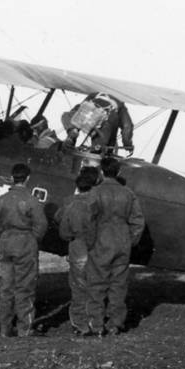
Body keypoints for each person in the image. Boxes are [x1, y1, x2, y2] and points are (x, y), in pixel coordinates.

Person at [85, 158, 144, 336]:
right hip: (122, 242)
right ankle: (115, 324)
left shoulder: (95, 192)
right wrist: (130, 240)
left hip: (101, 242)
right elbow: (138, 221)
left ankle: (96, 324)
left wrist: (90, 242)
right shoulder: (128, 193)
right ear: (118, 172)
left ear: (101, 172)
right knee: (118, 285)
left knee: (97, 284)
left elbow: (88, 220)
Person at [0, 163, 48, 337]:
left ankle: (5, 329)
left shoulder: (1, 200)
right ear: (27, 178)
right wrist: (32, 239)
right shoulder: (32, 200)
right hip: (25, 244)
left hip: (5, 243)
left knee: (6, 288)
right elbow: (41, 225)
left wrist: (6, 236)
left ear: (12, 177)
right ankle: (25, 328)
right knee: (25, 287)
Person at [55, 167, 100, 335]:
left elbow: (62, 228)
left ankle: (80, 326)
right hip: (96, 248)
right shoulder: (98, 203)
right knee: (95, 287)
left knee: (78, 287)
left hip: (77, 247)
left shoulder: (69, 202)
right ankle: (96, 324)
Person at [61, 93, 135, 155]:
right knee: (100, 148)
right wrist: (128, 145)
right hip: (105, 122)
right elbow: (127, 127)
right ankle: (96, 155)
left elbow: (79, 108)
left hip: (88, 115)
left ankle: (73, 131)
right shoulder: (121, 106)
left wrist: (72, 127)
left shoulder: (94, 94)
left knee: (75, 118)